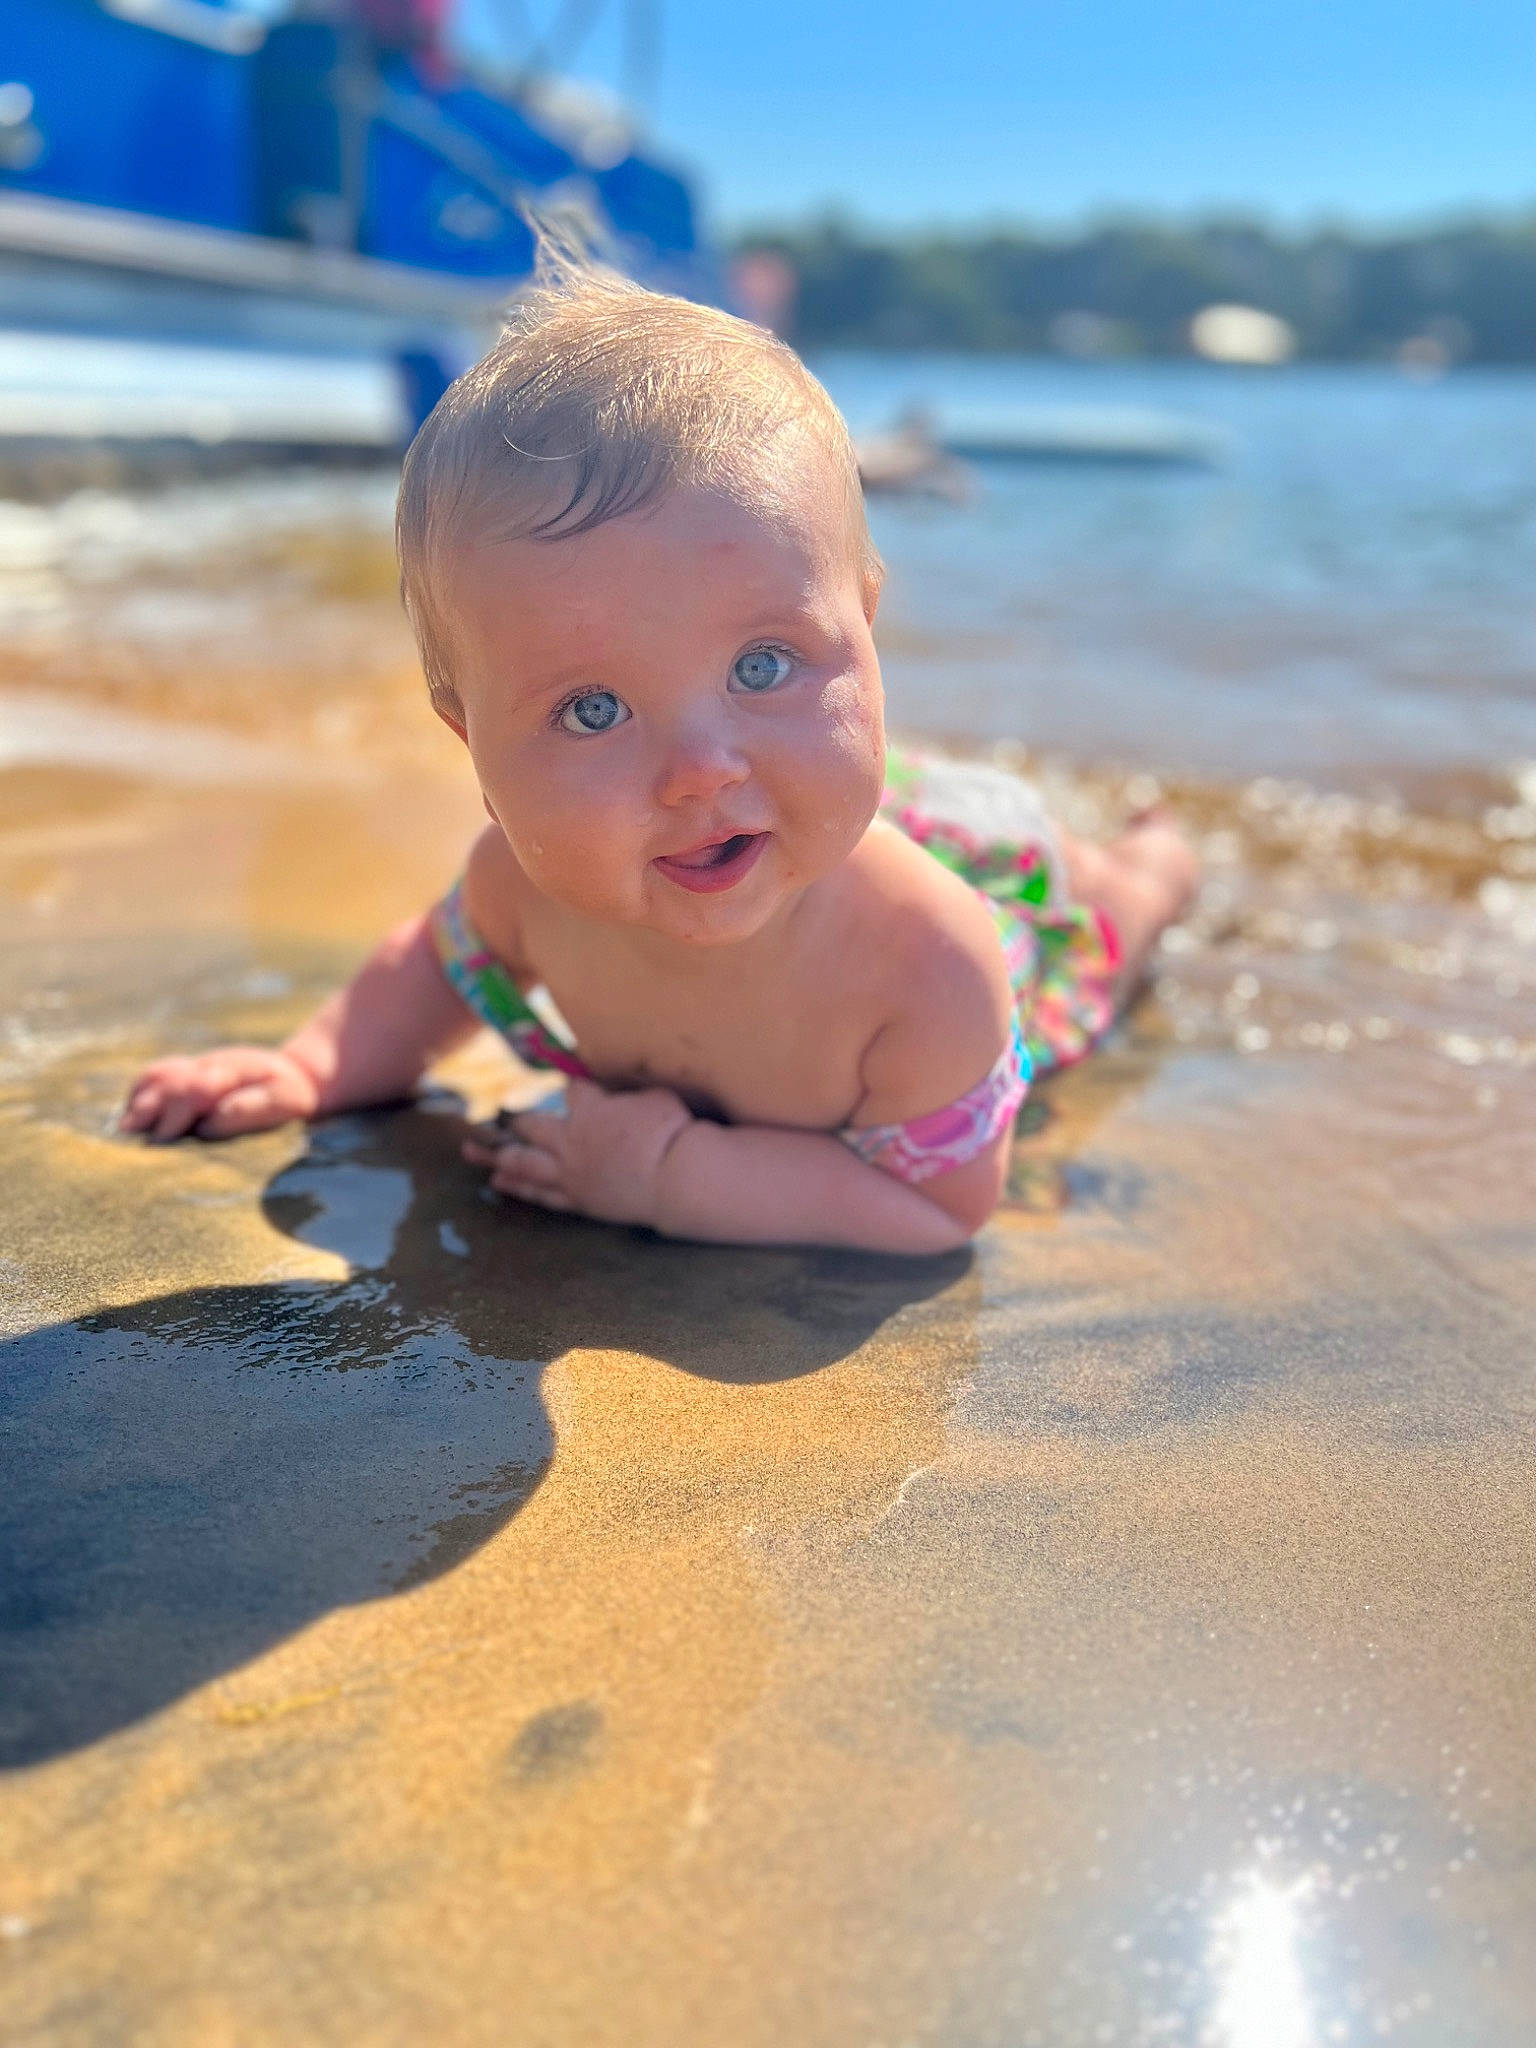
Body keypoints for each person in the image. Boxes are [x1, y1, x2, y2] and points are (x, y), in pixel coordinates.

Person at [120, 260, 1196, 1254]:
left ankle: (1161, 860)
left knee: (1117, 911)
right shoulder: (527, 888)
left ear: (866, 631)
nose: (699, 769)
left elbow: (936, 1207)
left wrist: (673, 1177)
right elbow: (435, 964)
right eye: (592, 710)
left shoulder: (929, 962)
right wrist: (316, 1064)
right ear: (472, 742)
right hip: (804, 812)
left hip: (1002, 888)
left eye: (765, 665)